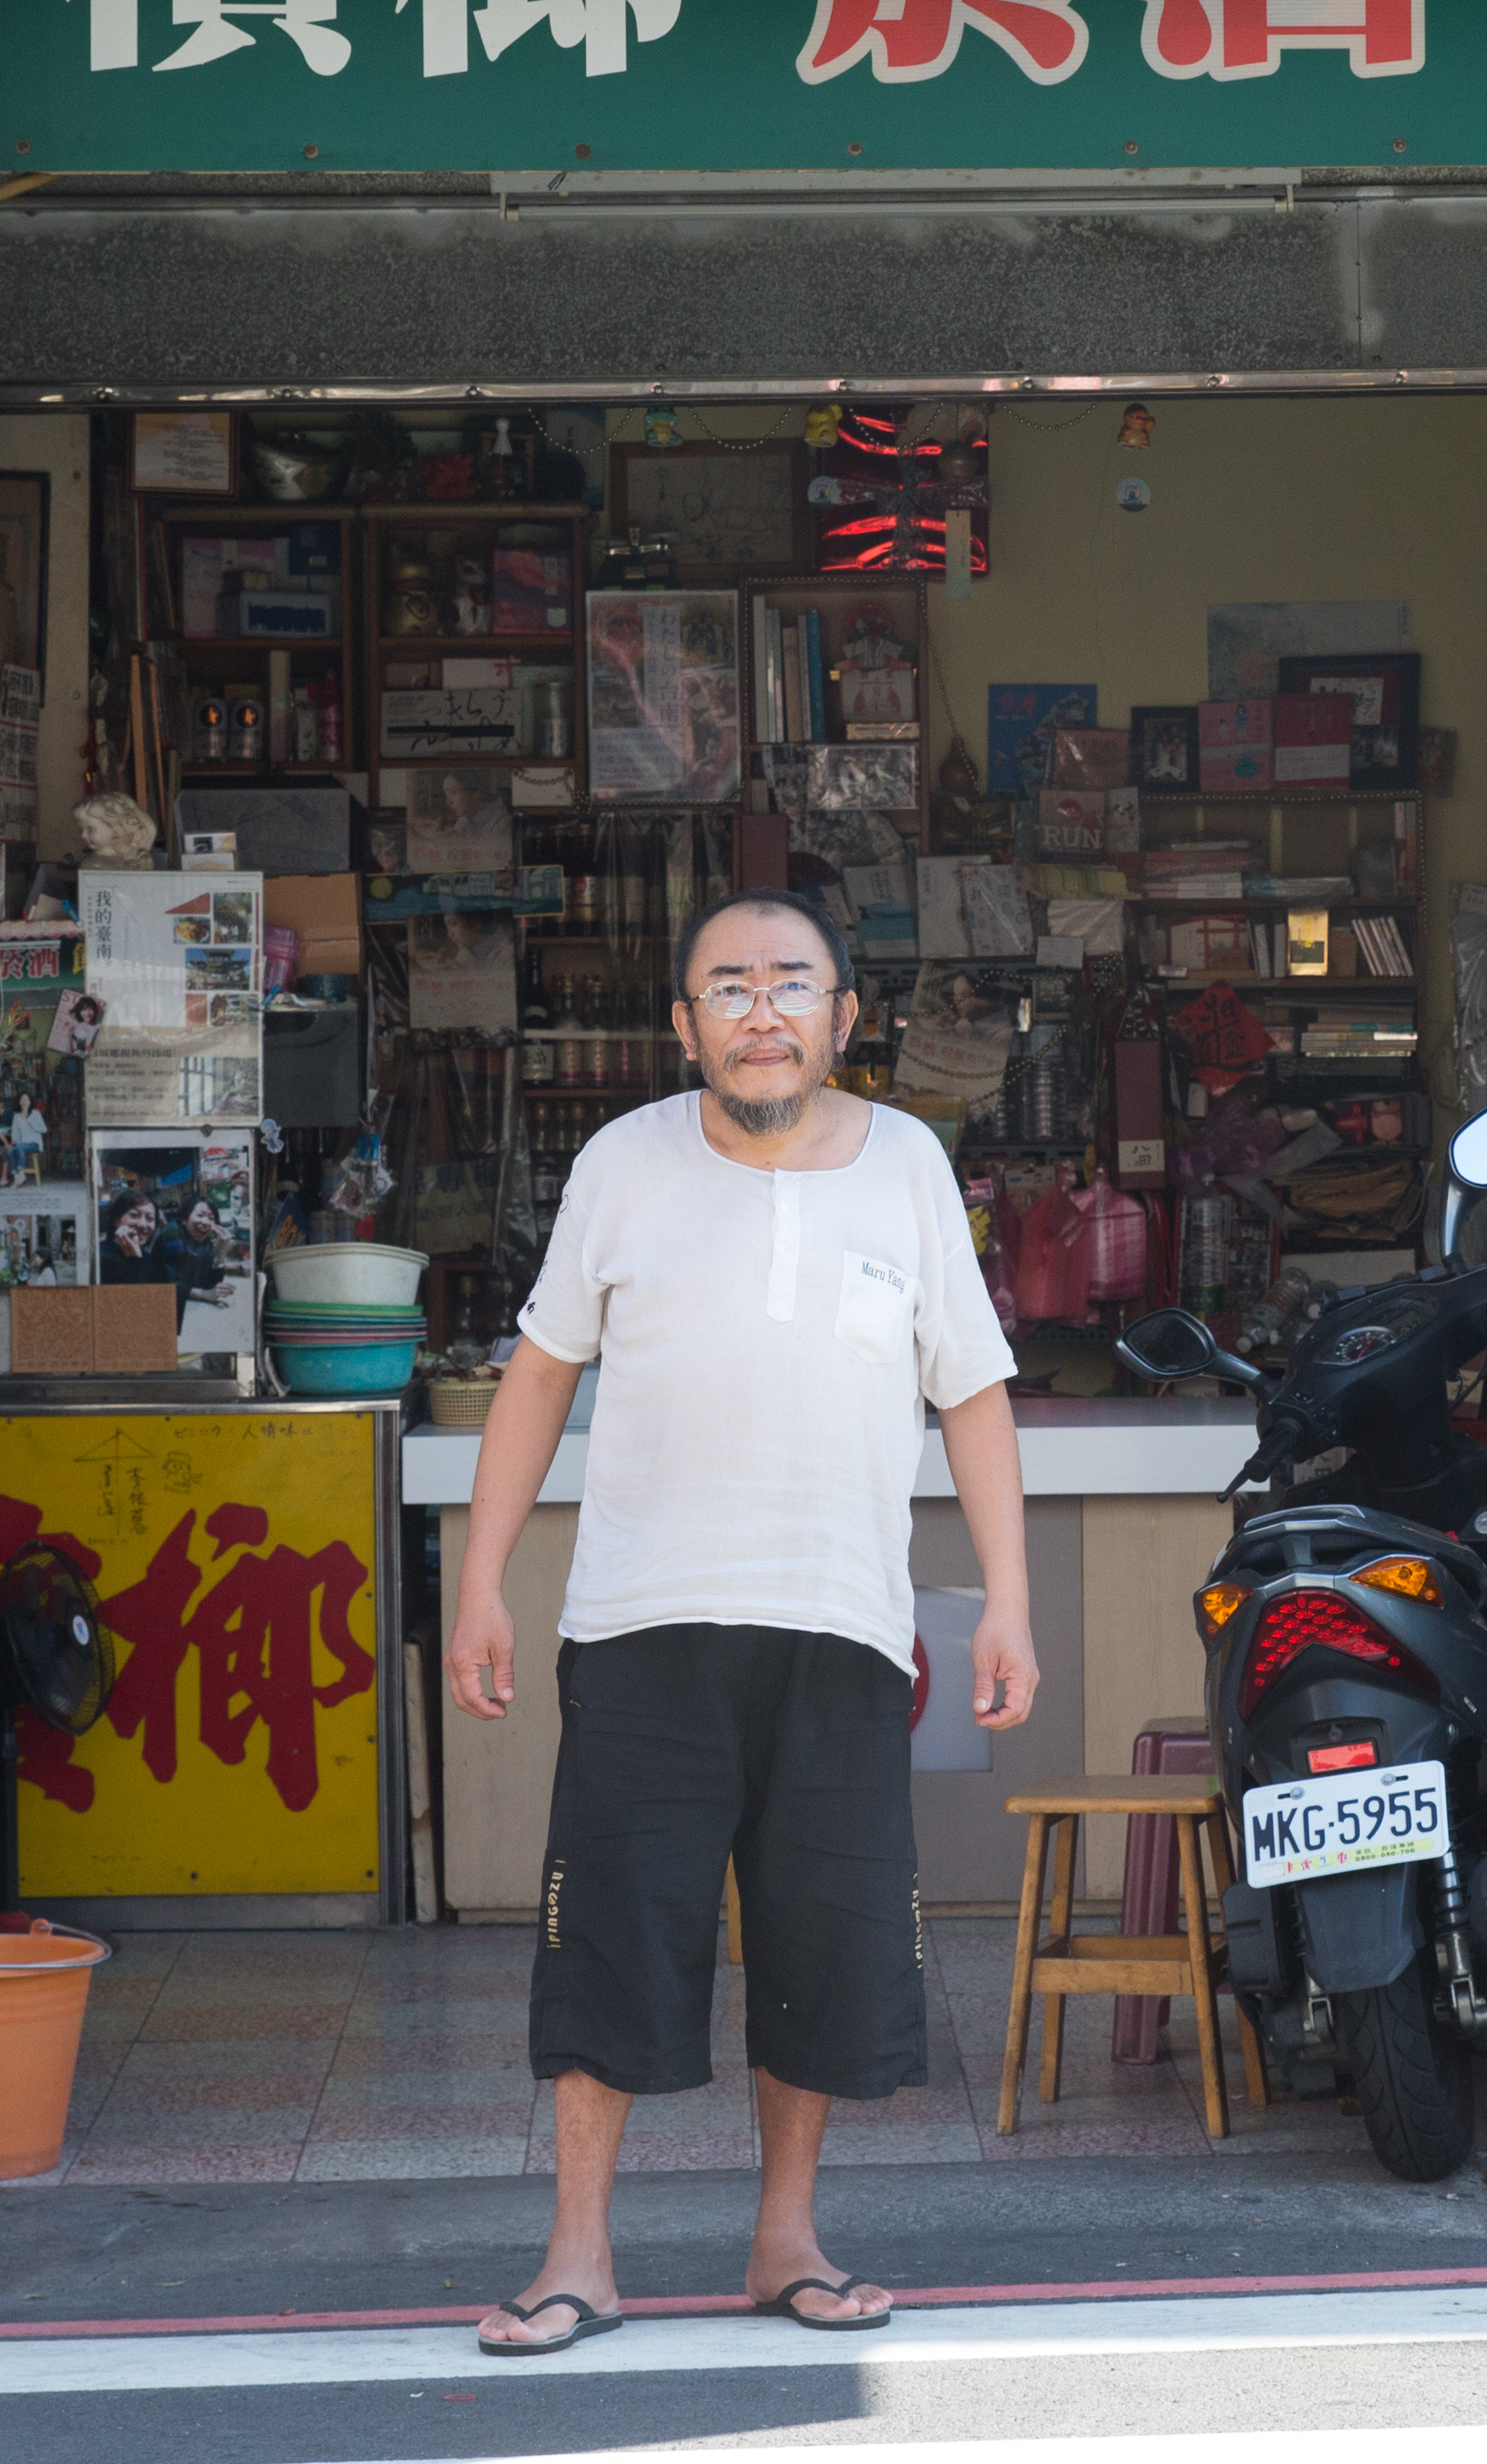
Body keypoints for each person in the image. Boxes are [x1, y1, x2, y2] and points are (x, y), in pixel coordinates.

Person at [446, 887, 1034, 2358]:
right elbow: (536, 1377)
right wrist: (480, 1580)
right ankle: (577, 2255)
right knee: (614, 1940)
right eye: (728, 987)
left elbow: (968, 1387)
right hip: (642, 1621)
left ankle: (787, 2242)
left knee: (821, 1939)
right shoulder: (620, 1163)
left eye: (791, 984)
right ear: (683, 1024)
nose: (760, 1011)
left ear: (844, 1016)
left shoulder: (907, 1165)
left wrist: (1007, 1600)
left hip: (840, 1625)